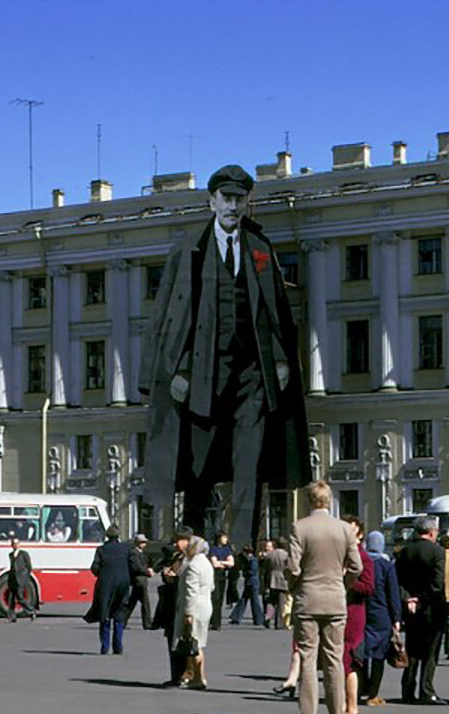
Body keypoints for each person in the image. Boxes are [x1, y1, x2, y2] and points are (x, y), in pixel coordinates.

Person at [138, 164, 310, 555]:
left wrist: (282, 360)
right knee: (199, 460)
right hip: (202, 370)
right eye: (226, 198)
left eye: (239, 198)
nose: (233, 206)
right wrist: (170, 372)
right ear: (212, 201)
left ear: (247, 201)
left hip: (253, 370)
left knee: (249, 459)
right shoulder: (188, 251)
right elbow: (167, 315)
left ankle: (243, 547)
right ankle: (193, 538)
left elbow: (276, 310)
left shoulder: (260, 248)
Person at [285, 481, 362, 714]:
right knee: (335, 658)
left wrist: (296, 585)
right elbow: (357, 567)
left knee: (308, 658)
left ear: (309, 500)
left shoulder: (300, 527)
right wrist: (343, 584)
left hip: (308, 599)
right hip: (336, 600)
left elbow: (293, 567)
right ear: (329, 501)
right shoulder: (344, 529)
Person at [394, 515, 446, 705]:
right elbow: (437, 584)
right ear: (432, 532)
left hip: (411, 608)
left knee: (412, 648)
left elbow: (398, 581)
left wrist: (408, 599)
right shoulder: (438, 552)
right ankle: (427, 690)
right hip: (432, 608)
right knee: (431, 651)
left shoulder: (404, 552)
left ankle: (407, 689)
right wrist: (421, 600)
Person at [341, 516, 374, 714]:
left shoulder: (363, 557)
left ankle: (351, 709)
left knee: (347, 660)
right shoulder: (340, 554)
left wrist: (348, 581)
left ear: (360, 534)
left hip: (354, 613)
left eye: (351, 531)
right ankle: (341, 708)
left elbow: (369, 587)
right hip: (339, 610)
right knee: (338, 661)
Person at [362, 530, 401, 707]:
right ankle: (373, 694)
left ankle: (359, 686)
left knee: (361, 654)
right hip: (381, 614)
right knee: (379, 656)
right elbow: (393, 593)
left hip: (362, 611)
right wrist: (397, 618)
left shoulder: (361, 562)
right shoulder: (386, 565)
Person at [174, 535, 215, 689]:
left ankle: (199, 677)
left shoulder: (193, 566)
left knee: (194, 643)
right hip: (205, 604)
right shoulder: (206, 563)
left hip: (195, 607)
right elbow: (211, 587)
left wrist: (188, 613)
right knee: (197, 642)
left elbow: (191, 592)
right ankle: (196, 677)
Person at [89, 526, 138, 654]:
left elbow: (94, 567)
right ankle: (118, 646)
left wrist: (102, 574)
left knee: (104, 615)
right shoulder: (127, 549)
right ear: (118, 535)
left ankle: (105, 647)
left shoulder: (101, 550)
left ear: (107, 536)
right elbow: (134, 566)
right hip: (123, 584)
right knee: (119, 614)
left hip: (105, 584)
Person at [155, 527, 192, 687]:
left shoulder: (192, 559)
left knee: (186, 643)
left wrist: (175, 578)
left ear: (187, 541)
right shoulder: (176, 556)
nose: (175, 544)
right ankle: (175, 675)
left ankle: (187, 675)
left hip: (182, 604)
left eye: (179, 540)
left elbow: (190, 583)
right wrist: (167, 574)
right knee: (172, 641)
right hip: (171, 605)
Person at [122, 534, 155, 630]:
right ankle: (147, 623)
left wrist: (150, 568)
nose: (144, 544)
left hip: (141, 580)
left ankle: (122, 622)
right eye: (142, 542)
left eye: (145, 542)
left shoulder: (142, 553)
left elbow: (149, 561)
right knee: (145, 603)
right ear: (137, 543)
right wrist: (147, 572)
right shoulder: (133, 553)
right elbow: (136, 567)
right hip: (138, 580)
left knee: (131, 603)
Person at [229, 543, 264, 626]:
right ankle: (236, 617)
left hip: (252, 583)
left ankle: (259, 619)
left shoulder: (252, 560)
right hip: (250, 583)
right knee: (244, 600)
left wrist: (245, 573)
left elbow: (253, 571)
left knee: (254, 602)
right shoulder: (251, 560)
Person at [208, 531, 235, 631]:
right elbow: (214, 564)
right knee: (214, 598)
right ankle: (214, 622)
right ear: (219, 538)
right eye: (224, 538)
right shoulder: (214, 549)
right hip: (214, 575)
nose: (226, 540)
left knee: (220, 599)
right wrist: (224, 563)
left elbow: (231, 563)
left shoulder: (227, 549)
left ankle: (216, 621)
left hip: (222, 575)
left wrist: (221, 562)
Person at [6, 537, 37, 621]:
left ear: (19, 544)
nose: (15, 545)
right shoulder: (11, 555)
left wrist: (24, 576)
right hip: (12, 579)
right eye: (13, 544)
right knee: (11, 598)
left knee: (20, 597)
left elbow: (29, 567)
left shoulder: (24, 554)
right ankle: (12, 617)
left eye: (16, 543)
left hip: (21, 579)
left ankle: (31, 610)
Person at [262, 538, 290, 629]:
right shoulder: (286, 555)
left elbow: (265, 566)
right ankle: (279, 623)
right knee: (281, 602)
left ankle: (268, 616)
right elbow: (289, 567)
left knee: (272, 600)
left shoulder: (270, 554)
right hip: (282, 579)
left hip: (272, 578)